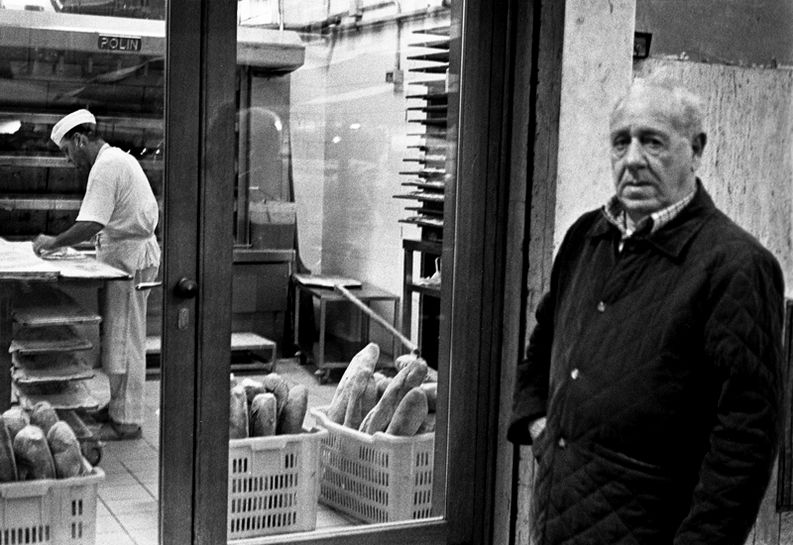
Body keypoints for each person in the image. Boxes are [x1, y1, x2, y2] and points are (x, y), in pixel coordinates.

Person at [507, 79, 784, 544]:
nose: (633, 159)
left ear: (696, 150)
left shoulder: (736, 266)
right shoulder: (585, 237)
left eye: (652, 141)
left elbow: (746, 442)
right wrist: (538, 423)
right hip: (558, 522)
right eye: (621, 142)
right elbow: (544, 340)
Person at [33, 109, 160, 441]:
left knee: (127, 338)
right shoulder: (114, 160)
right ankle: (119, 407)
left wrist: (54, 242)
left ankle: (128, 420)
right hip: (125, 256)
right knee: (119, 336)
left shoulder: (106, 166)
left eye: (67, 151)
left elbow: (91, 222)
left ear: (79, 140)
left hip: (131, 258)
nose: (69, 160)